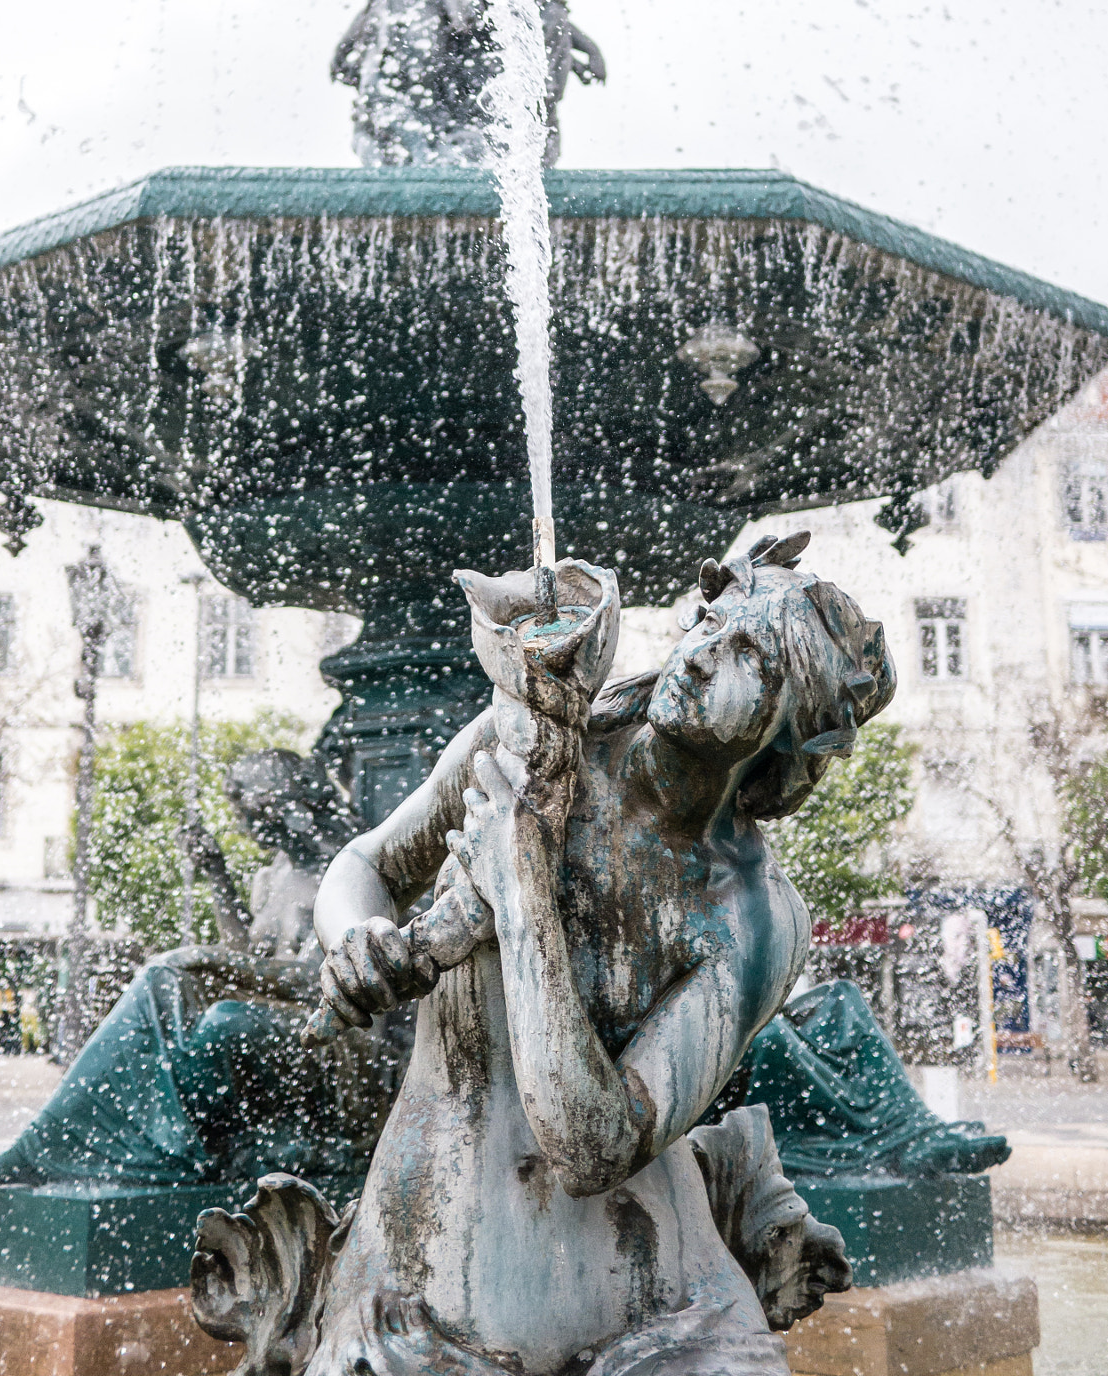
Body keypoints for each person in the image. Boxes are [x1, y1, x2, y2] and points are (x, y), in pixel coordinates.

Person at [195, 535, 885, 1376]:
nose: (702, 656)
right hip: (422, 1293)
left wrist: (522, 894)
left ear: (793, 731)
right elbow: (367, 865)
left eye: (749, 655)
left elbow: (593, 1149)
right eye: (710, 622)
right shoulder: (526, 734)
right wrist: (358, 939)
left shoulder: (753, 920)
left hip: (672, 1317)